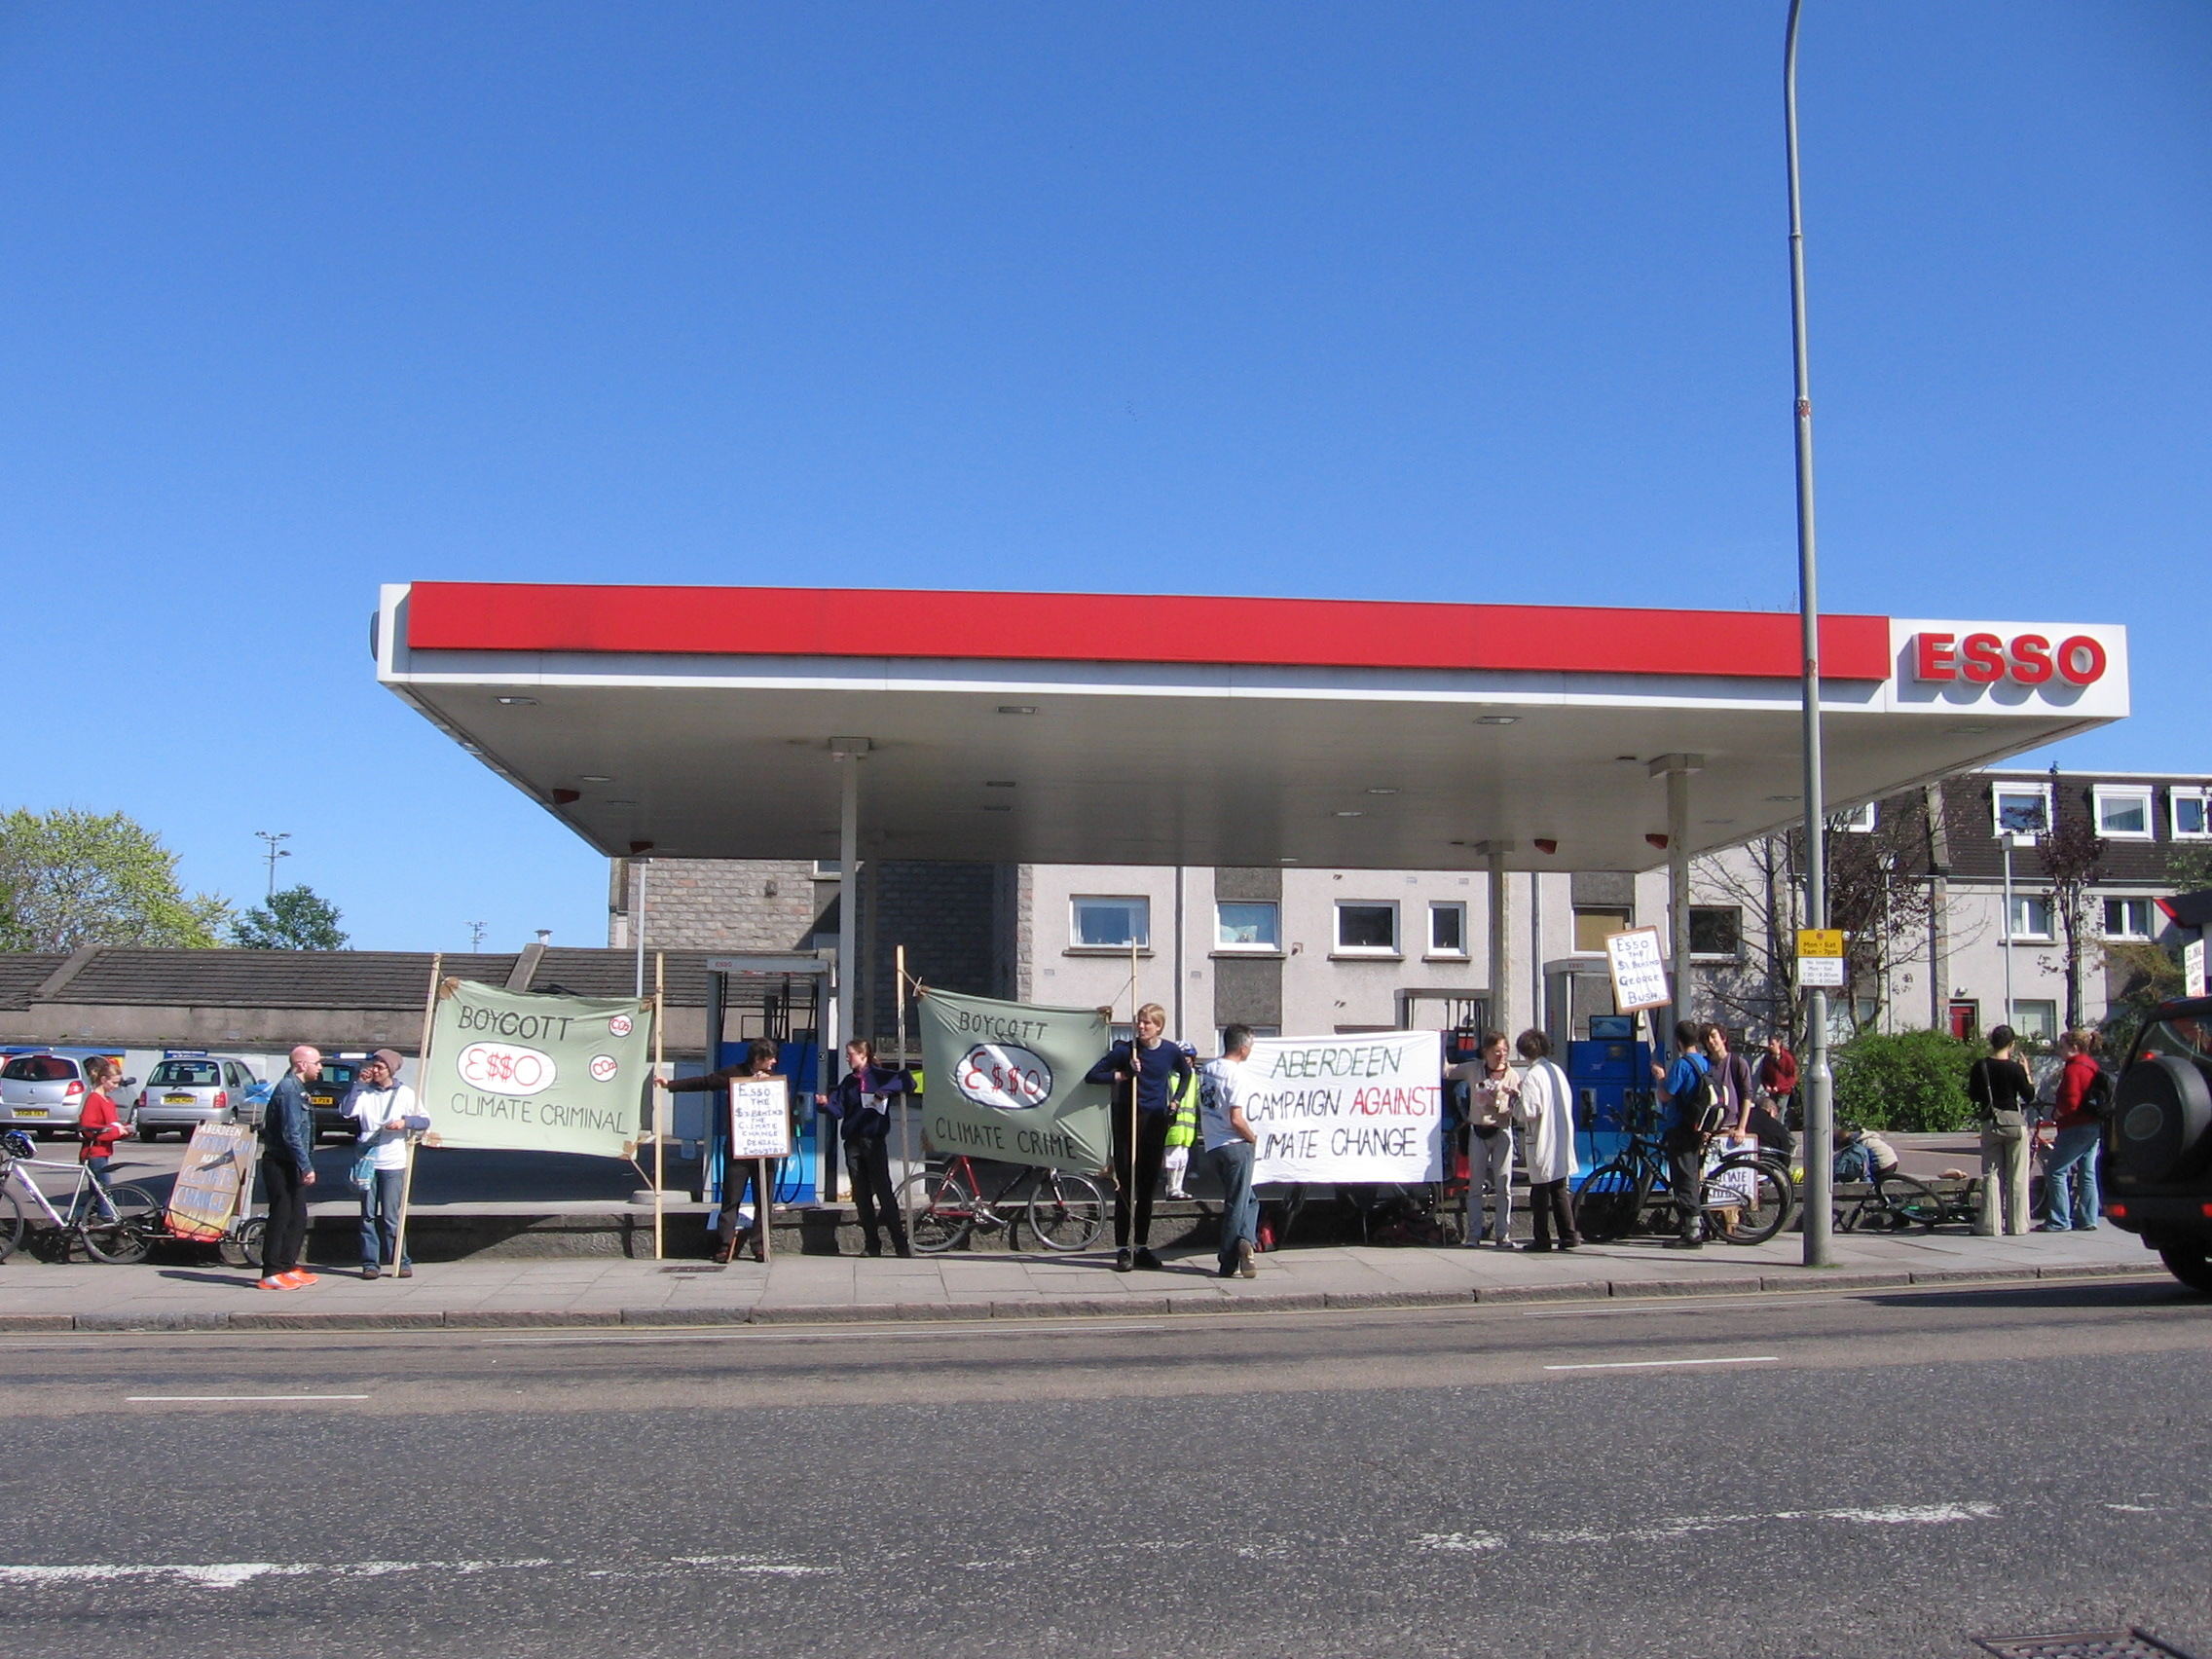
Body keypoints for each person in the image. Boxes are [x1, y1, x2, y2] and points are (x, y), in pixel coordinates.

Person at [1086, 1003, 1195, 1272]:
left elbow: (1187, 1073)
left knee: (1147, 1188)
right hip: (1127, 1121)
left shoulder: (1169, 1051)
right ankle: (1122, 1249)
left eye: (1147, 1023)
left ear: (1159, 1026)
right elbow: (1092, 1076)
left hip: (1154, 1122)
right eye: (1139, 1021)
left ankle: (1141, 1247)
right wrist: (1123, 1074)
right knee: (1125, 1187)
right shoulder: (1125, 1050)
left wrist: (1176, 1101)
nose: (1142, 1026)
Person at [662, 1039, 787, 1262]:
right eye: (770, 1058)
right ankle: (725, 1243)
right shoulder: (735, 1073)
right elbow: (705, 1082)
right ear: (758, 1059)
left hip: (765, 1146)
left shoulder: (774, 1078)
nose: (774, 1062)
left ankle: (760, 1244)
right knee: (731, 1197)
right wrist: (670, 1084)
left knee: (764, 1200)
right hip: (739, 1147)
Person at [816, 1039, 912, 1258]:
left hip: (874, 1139)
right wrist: (824, 1104)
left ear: (863, 1055)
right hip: (853, 1141)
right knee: (861, 1193)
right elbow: (838, 1110)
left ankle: (900, 1243)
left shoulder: (879, 1075)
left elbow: (907, 1080)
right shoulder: (848, 1082)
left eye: (851, 1054)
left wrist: (885, 1091)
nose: (848, 1058)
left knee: (883, 1191)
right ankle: (872, 1243)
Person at [343, 1049, 429, 1279]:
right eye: (373, 1066)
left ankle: (400, 1260)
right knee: (368, 1215)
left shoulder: (405, 1094)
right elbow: (347, 1111)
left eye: (380, 1067)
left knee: (392, 1215)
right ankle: (370, 1263)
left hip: (393, 1161)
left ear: (390, 1069)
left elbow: (424, 1120)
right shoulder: (365, 1093)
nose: (375, 1071)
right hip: (367, 1162)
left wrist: (404, 1122)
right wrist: (357, 1085)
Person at [1197, 1025, 1261, 1278]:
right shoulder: (1238, 1076)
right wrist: (1252, 1138)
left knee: (1250, 1200)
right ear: (1243, 1048)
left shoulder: (1209, 1069)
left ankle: (1246, 1239)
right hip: (1235, 1145)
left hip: (1213, 1145)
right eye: (1251, 1046)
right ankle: (1228, 1259)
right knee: (1237, 1202)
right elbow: (1236, 1118)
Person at [1445, 1031, 1519, 1247]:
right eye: (1496, 1051)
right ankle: (1474, 1234)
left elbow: (1515, 1108)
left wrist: (1496, 1103)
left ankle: (1502, 1235)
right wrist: (1441, 1047)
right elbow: (1447, 1072)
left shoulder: (1512, 1075)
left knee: (1503, 1184)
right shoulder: (1474, 1069)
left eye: (1504, 1051)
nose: (1501, 1056)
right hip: (1478, 1130)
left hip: (1501, 1131)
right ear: (1485, 1052)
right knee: (1475, 1184)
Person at [257, 1046, 321, 1290]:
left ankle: (288, 1266)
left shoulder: (298, 1089)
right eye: (317, 1062)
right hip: (281, 1162)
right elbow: (291, 1133)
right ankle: (271, 1271)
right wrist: (306, 1165)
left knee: (297, 1215)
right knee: (282, 1214)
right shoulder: (288, 1090)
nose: (320, 1067)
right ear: (302, 1065)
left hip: (292, 1162)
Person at [1512, 1030, 1579, 1252]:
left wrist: (1515, 1102)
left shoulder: (1532, 1076)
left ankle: (1542, 1238)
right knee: (1559, 1188)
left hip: (1542, 1138)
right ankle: (1568, 1234)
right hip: (1560, 1136)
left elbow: (1530, 1111)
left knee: (1539, 1191)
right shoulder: (1556, 1071)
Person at [1966, 1025, 2036, 1236]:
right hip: (2014, 1123)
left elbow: (1974, 1095)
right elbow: (2029, 1095)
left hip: (1991, 1122)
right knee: (2017, 1176)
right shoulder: (2015, 1068)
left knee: (1991, 1174)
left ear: (1991, 1042)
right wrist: (2027, 1072)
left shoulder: (1981, 1066)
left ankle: (1990, 1225)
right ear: (2012, 1044)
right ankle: (2018, 1225)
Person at [1651, 1019, 1715, 1248]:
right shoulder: (1704, 1063)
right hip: (1698, 1126)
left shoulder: (1683, 1065)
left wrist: (1660, 1076)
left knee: (1684, 1178)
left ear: (1678, 1041)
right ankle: (1698, 1225)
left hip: (1681, 1127)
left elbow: (1666, 1094)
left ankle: (1693, 1232)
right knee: (1691, 1175)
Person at [2039, 1029, 2105, 1233]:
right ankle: (2088, 1217)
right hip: (2094, 1124)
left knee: (2056, 1171)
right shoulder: (2092, 1065)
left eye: (2062, 1046)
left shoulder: (2074, 1069)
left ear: (2074, 1048)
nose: (2059, 1051)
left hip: (2075, 1126)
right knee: (2087, 1172)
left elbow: (2071, 1100)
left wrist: (2058, 1114)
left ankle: (2059, 1220)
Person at [73, 1056, 130, 1217]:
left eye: (118, 1083)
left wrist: (125, 1130)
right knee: (104, 1192)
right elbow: (88, 1129)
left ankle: (70, 1221)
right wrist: (115, 1132)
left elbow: (112, 1125)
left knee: (95, 1195)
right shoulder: (94, 1099)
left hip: (103, 1152)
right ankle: (109, 1221)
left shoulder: (108, 1100)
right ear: (103, 1079)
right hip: (93, 1153)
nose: (116, 1086)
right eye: (114, 1082)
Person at [1703, 1026, 1757, 1138]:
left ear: (1723, 1038)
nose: (1710, 1042)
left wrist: (1741, 1128)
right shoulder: (1704, 1064)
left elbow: (1747, 1096)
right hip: (1708, 1129)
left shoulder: (1737, 1063)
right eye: (1706, 1039)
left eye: (1713, 1036)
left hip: (1731, 1126)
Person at [1161, 1055, 1198, 1200]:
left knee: (1183, 1158)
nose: (1186, 1060)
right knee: (1173, 1157)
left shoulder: (1195, 1077)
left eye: (1189, 1057)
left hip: (1188, 1125)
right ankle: (1172, 1188)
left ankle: (1179, 1188)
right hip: (1173, 1123)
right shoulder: (1169, 1076)